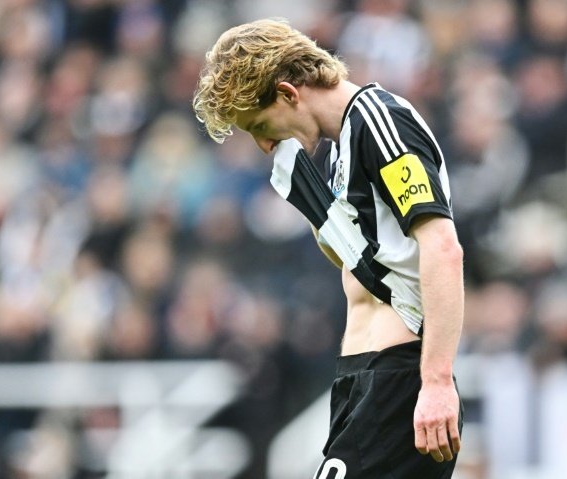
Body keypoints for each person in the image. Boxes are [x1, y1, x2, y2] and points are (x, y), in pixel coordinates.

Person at [193, 18, 464, 479]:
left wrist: (436, 380)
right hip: (363, 380)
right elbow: (370, 265)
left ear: (288, 93)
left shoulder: (380, 120)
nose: (263, 144)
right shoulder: (339, 149)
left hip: (397, 378)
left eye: (260, 125)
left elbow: (442, 245)